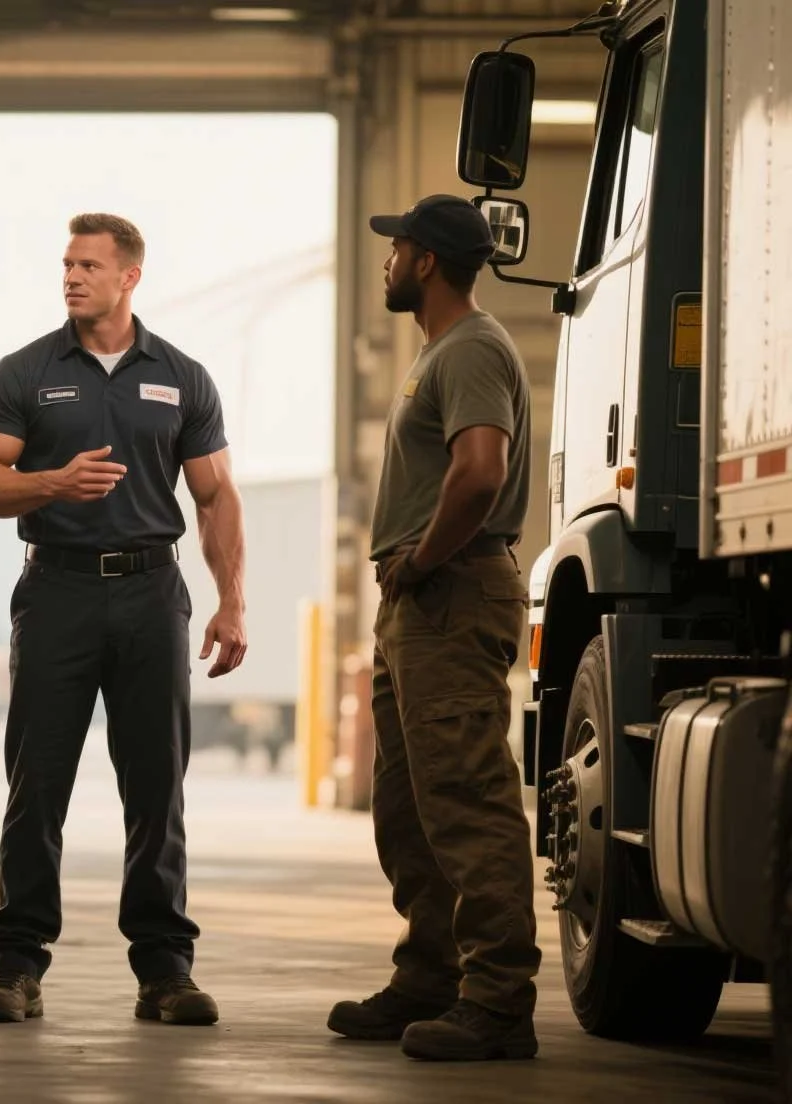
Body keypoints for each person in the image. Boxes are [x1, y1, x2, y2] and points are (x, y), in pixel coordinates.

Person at [0, 212, 247, 1027]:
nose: (72, 277)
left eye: (89, 265)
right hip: (57, 593)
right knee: (37, 784)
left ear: (131, 277)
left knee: (157, 784)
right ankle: (17, 966)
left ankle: (165, 971)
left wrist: (232, 601)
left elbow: (216, 494)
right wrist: (52, 483)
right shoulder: (25, 372)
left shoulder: (183, 377)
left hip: (155, 594)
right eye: (66, 264)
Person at [326, 193, 540, 1061]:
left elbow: (479, 474)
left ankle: (497, 1002)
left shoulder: (474, 348)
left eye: (397, 247)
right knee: (409, 805)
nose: (386, 260)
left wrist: (417, 562)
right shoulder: (443, 352)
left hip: (449, 592)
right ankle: (430, 976)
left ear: (426, 261)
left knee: (466, 800)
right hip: (419, 605)